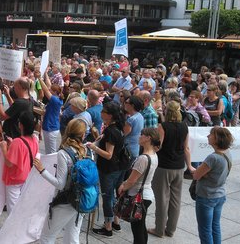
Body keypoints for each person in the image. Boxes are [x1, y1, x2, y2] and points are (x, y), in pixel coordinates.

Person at [34, 119, 90, 244]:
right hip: (82, 200)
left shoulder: (64, 153)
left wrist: (42, 170)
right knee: (72, 237)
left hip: (65, 201)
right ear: (82, 135)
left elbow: (60, 184)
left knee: (47, 236)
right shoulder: (88, 151)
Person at [149, 100, 195, 238]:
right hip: (179, 166)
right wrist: (190, 165)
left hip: (164, 166)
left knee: (162, 198)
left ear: (166, 111)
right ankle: (170, 230)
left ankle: (159, 229)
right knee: (175, 199)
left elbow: (159, 146)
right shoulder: (184, 126)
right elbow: (186, 148)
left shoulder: (163, 126)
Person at [88, 102, 125, 237]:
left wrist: (94, 147)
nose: (101, 113)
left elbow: (109, 155)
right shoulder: (118, 127)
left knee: (107, 197)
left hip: (109, 169)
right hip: (119, 167)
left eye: (103, 111)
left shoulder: (110, 131)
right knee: (115, 195)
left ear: (109, 115)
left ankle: (108, 227)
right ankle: (116, 222)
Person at [118, 128, 160, 244]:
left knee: (137, 229)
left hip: (138, 197)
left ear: (148, 138)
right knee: (141, 227)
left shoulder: (143, 158)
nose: (139, 136)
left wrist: (122, 186)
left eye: (142, 135)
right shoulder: (154, 155)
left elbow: (132, 181)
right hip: (146, 195)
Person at [193, 127, 233, 244]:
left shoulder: (213, 158)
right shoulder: (227, 153)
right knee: (215, 227)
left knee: (205, 230)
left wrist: (197, 171)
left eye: (210, 134)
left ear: (217, 139)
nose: (208, 136)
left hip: (206, 197)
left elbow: (196, 175)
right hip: (219, 195)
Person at [0, 111, 39, 214]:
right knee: (21, 206)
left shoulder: (17, 142)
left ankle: (13, 229)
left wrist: (4, 148)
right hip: (26, 176)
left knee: (13, 210)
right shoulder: (35, 139)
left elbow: (9, 163)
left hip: (14, 178)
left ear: (20, 125)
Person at [39, 69, 63, 154]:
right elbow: (49, 85)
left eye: (51, 90)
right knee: (48, 150)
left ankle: (53, 166)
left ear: (55, 92)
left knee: (51, 152)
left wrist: (39, 78)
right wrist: (45, 73)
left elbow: (45, 90)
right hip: (50, 127)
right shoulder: (57, 98)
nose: (50, 90)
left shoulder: (55, 100)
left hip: (51, 128)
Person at [123, 95, 145, 162]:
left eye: (126, 102)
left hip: (128, 150)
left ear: (132, 105)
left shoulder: (131, 120)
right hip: (135, 148)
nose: (124, 104)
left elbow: (124, 134)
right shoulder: (140, 116)